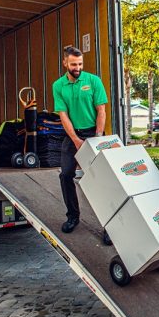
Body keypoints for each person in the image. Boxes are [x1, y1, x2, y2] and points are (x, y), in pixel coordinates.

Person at [53, 45, 107, 233]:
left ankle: (109, 226)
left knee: (100, 179)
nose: (78, 68)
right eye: (74, 64)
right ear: (65, 63)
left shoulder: (93, 81)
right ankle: (72, 217)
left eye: (80, 64)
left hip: (94, 133)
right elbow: (63, 114)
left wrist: (98, 137)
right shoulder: (58, 86)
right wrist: (75, 140)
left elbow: (101, 110)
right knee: (66, 174)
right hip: (72, 135)